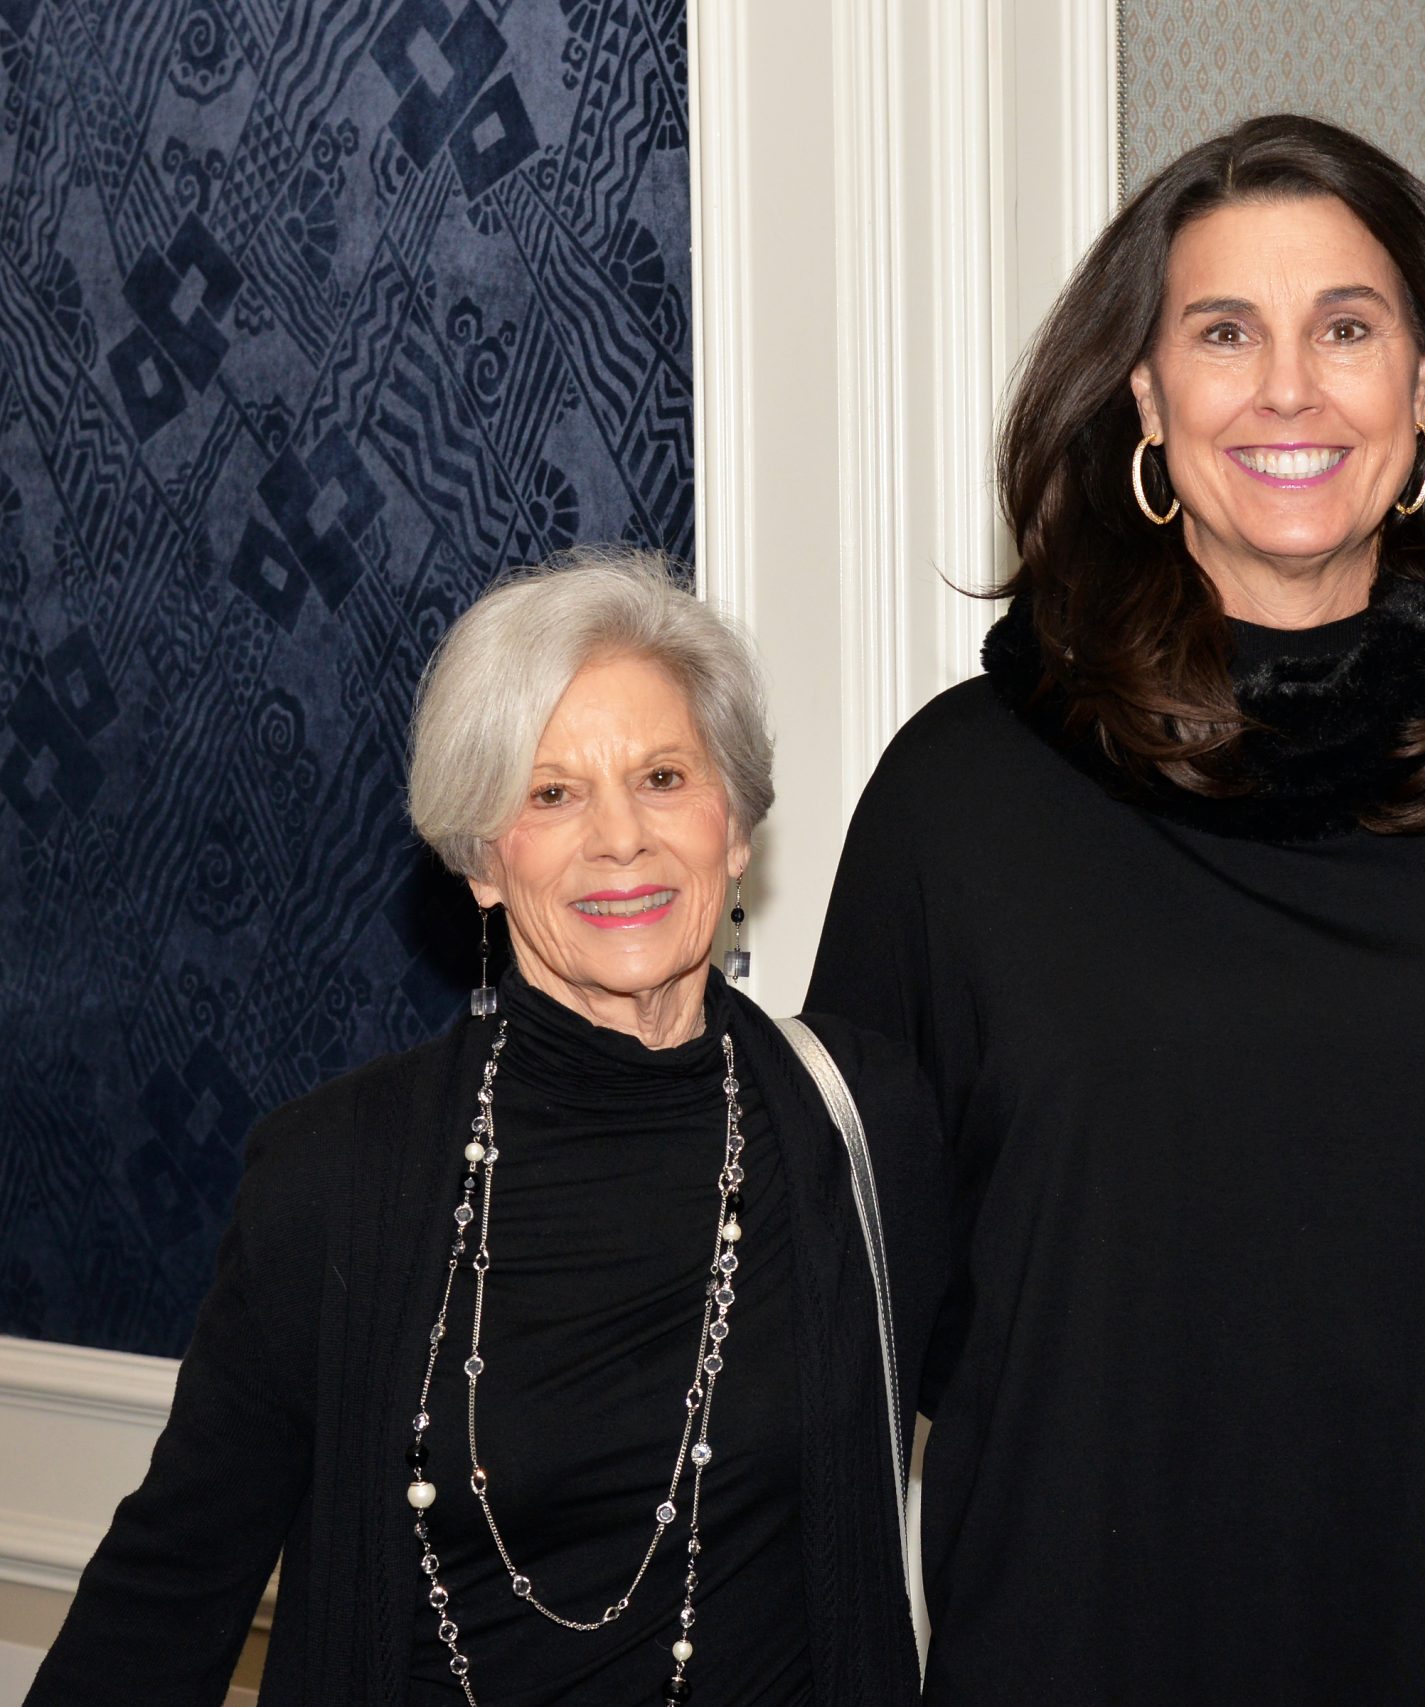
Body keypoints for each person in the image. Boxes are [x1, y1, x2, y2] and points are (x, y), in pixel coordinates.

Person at [808, 114, 1425, 1705]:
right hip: (1089, 1646)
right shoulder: (961, 799)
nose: (1289, 388)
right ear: (1145, 399)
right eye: (1225, 332)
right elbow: (853, 1319)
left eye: (1346, 328)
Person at [32, 549, 945, 1707]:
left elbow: (1044, 1429)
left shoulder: (863, 1124)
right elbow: (168, 1590)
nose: (620, 837)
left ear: (736, 828)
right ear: (480, 859)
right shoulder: (333, 1177)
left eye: (663, 776)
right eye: (551, 794)